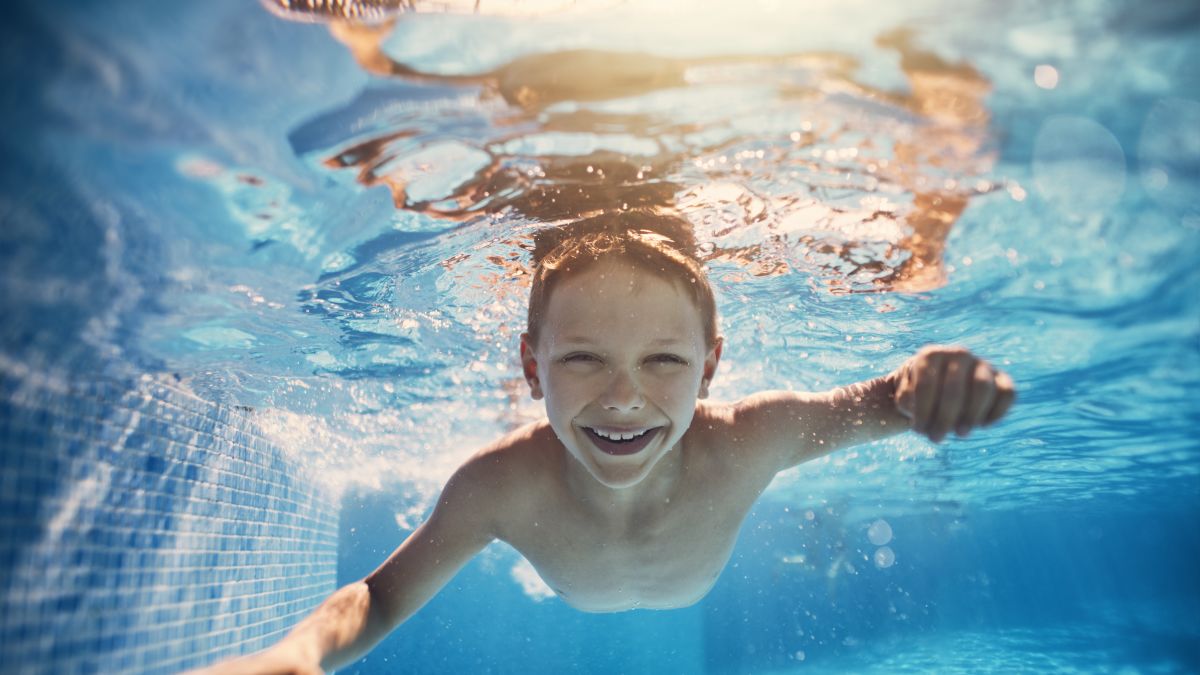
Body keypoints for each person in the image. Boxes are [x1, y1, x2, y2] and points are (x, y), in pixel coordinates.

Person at [192, 211, 1014, 674]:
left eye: (664, 361)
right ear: (531, 366)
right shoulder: (498, 484)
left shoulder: (748, 440)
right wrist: (298, 653)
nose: (624, 397)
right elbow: (379, 597)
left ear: (710, 367)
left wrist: (932, 382)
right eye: (583, 358)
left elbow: (885, 399)